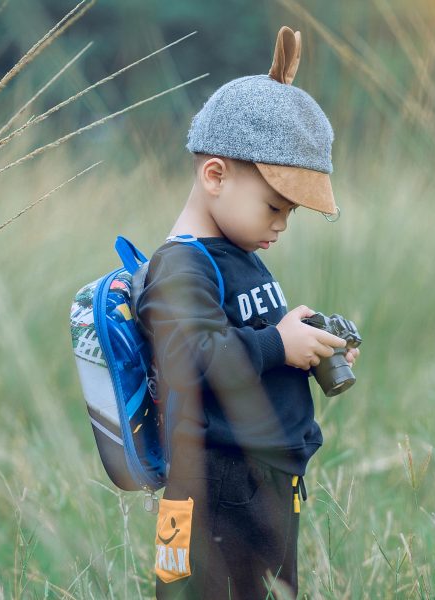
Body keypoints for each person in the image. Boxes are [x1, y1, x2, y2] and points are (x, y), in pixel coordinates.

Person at [135, 26, 360, 599]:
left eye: (290, 212)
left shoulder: (238, 253)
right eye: (273, 206)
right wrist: (277, 344)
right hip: (215, 487)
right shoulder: (181, 266)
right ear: (215, 175)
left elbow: (249, 344)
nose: (282, 224)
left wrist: (306, 346)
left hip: (261, 484)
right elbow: (194, 356)